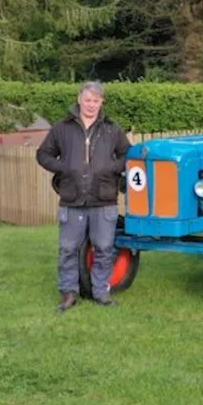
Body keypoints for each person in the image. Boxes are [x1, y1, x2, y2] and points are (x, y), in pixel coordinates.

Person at [36, 81, 131, 311]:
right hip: (72, 200)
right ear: (79, 99)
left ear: (102, 103)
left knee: (104, 248)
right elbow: (43, 154)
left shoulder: (112, 128)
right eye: (87, 100)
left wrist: (111, 167)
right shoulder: (62, 128)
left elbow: (128, 155)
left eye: (96, 101)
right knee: (68, 249)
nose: (91, 105)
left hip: (104, 199)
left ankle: (101, 292)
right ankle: (69, 293)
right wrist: (64, 167)